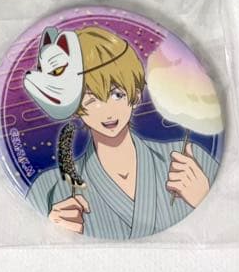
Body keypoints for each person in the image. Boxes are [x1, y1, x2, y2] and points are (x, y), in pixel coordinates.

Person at [26, 27, 218, 239]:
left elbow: (224, 218)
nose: (108, 111)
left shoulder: (188, 162)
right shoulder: (50, 187)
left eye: (117, 94)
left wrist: (202, 194)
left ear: (135, 94)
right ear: (75, 106)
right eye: (91, 99)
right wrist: (55, 230)